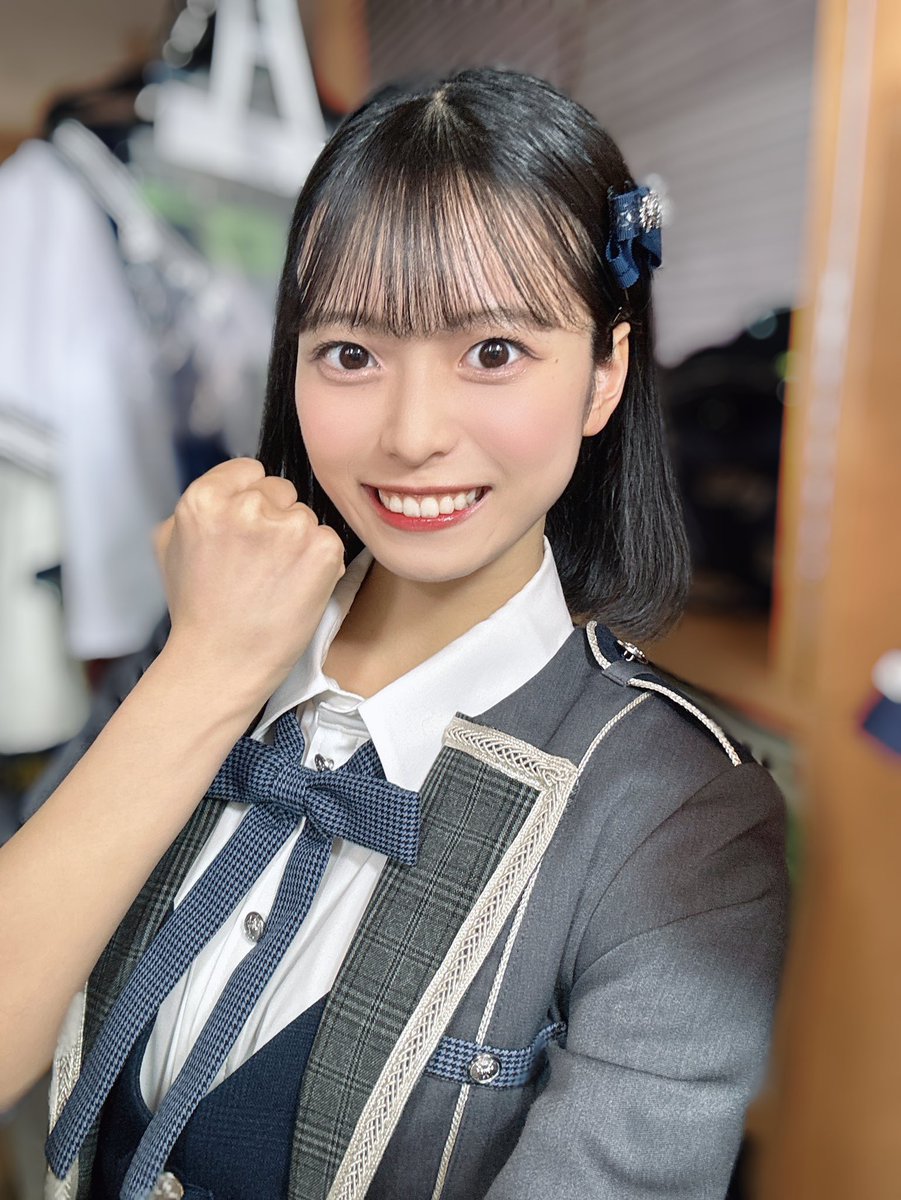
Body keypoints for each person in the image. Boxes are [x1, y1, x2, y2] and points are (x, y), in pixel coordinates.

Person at [0, 68, 788, 1200]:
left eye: (494, 351)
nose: (412, 435)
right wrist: (202, 669)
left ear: (604, 373)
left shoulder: (678, 816)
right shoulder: (201, 642)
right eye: (351, 353)